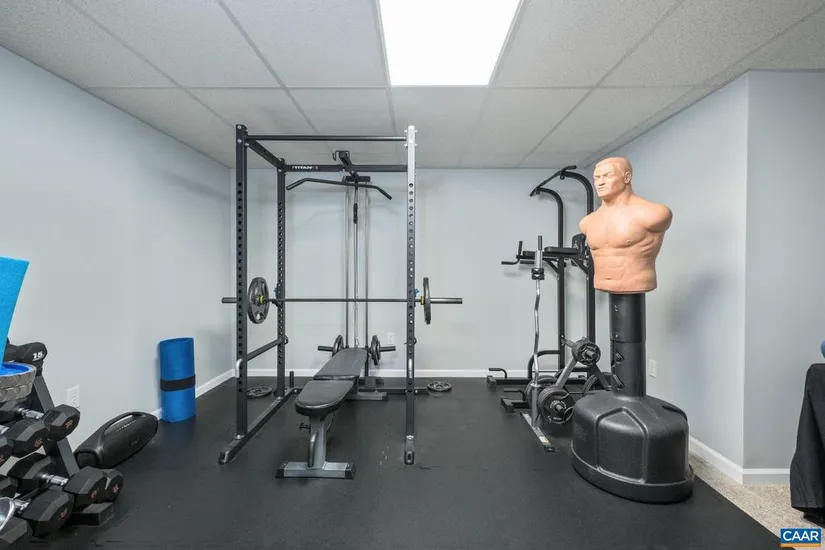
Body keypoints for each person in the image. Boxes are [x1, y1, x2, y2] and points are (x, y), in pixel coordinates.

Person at [579, 157, 672, 294]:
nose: (600, 182)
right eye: (596, 178)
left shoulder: (654, 214)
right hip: (601, 283)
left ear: (626, 178)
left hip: (637, 283)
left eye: (607, 176)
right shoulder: (587, 222)